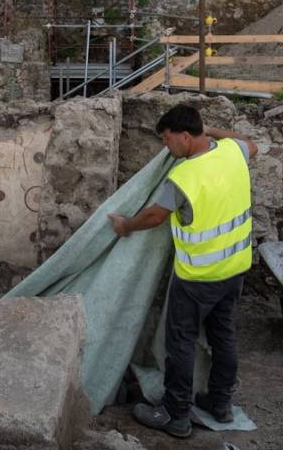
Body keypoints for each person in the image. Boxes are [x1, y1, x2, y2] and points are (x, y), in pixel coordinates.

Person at [108, 104, 258, 438]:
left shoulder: (184, 177)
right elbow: (252, 143)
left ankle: (175, 415)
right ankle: (219, 403)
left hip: (197, 277)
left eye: (167, 140)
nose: (166, 148)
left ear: (186, 136)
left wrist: (125, 225)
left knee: (181, 344)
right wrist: (215, 132)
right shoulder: (234, 152)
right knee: (224, 336)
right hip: (235, 268)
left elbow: (154, 217)